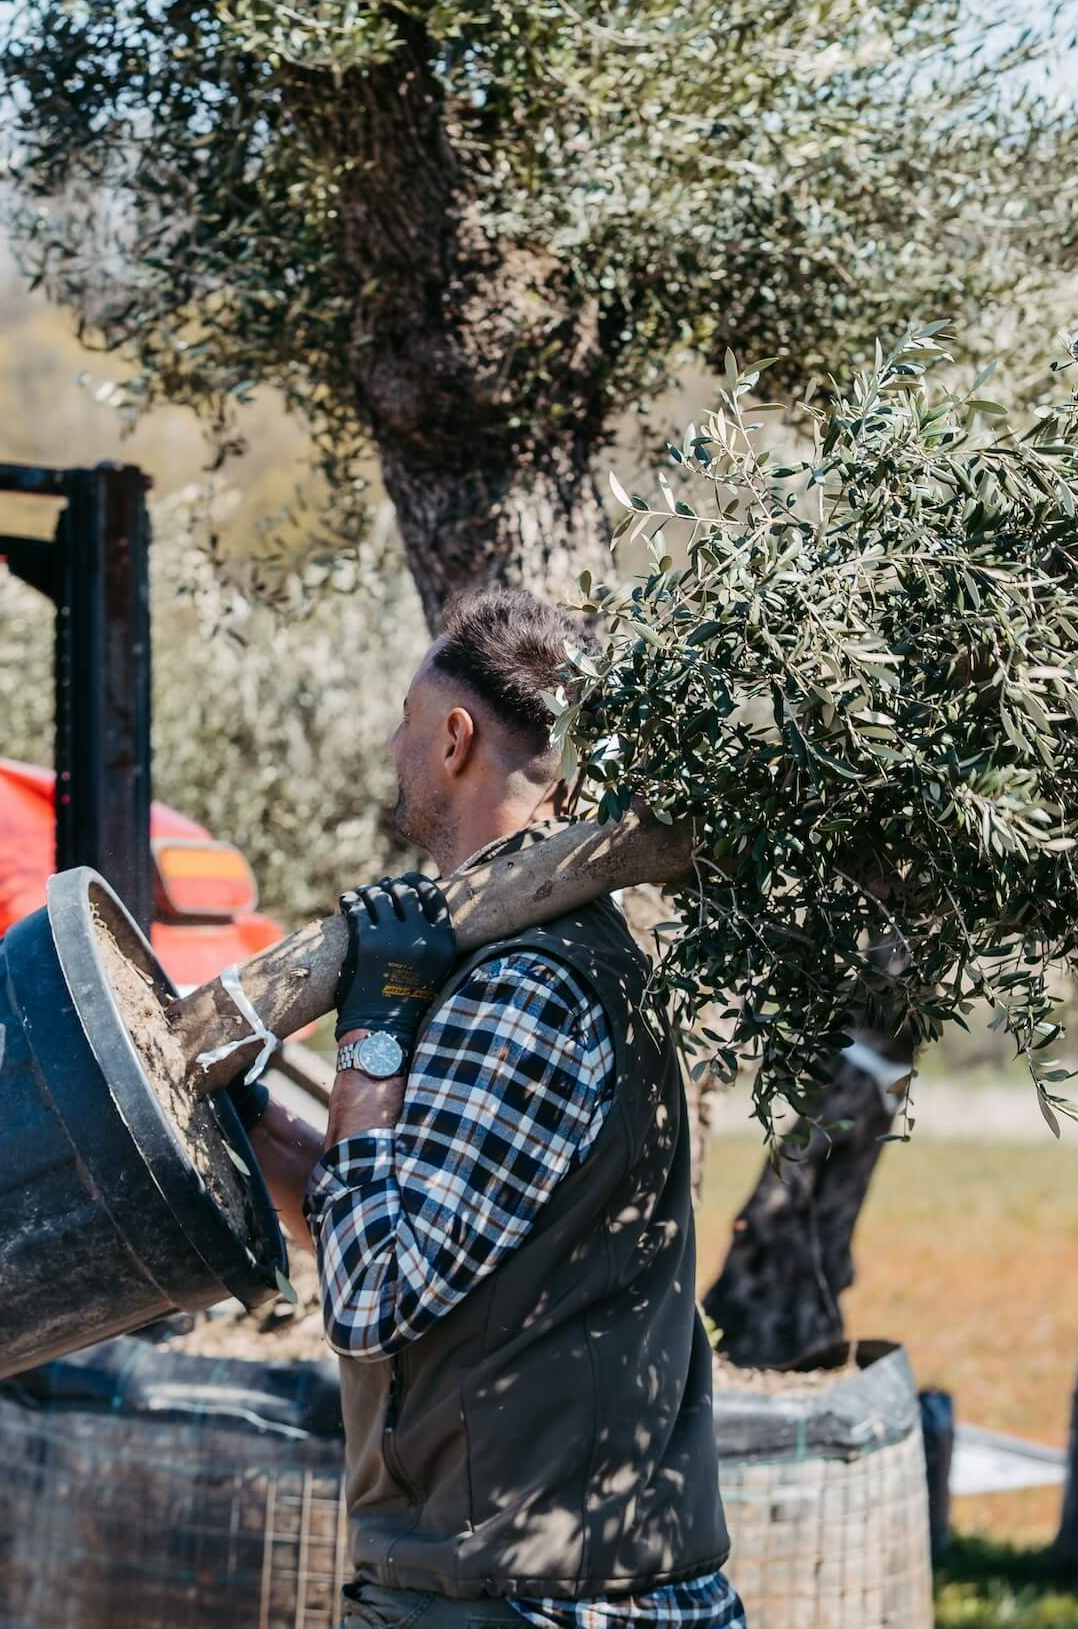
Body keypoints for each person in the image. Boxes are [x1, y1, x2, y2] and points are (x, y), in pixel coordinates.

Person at [246, 588, 743, 1629]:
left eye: (406, 723)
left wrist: (371, 1039)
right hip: (532, 1578)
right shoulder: (536, 965)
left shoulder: (526, 988)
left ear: (457, 740)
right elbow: (393, 1232)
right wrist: (249, 1130)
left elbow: (374, 1293)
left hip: (526, 1597)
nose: (393, 744)